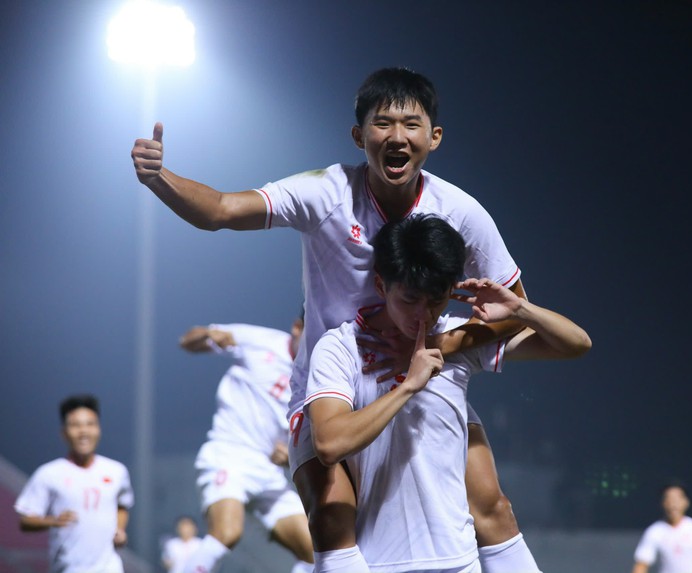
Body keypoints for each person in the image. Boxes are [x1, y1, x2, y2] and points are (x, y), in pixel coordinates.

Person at [132, 66, 536, 572]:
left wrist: (443, 347)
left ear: (434, 137)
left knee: (492, 509)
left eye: (411, 124)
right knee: (331, 516)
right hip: (333, 383)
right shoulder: (325, 192)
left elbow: (514, 310)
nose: (397, 136)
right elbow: (220, 209)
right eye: (382, 123)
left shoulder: (461, 211)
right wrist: (159, 177)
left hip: (422, 376)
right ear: (358, 135)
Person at [305, 214, 592, 572]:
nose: (422, 315)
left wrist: (520, 308)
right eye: (410, 299)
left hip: (461, 559)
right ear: (381, 285)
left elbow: (576, 344)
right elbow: (329, 443)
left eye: (435, 301)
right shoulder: (341, 348)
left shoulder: (457, 339)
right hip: (381, 562)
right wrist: (409, 385)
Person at [177, 320, 314, 573]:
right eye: (312, 331)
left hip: (268, 471)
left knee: (315, 552)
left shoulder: (318, 375)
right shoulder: (261, 340)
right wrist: (207, 334)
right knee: (227, 534)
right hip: (229, 454)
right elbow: (187, 342)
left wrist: (291, 457)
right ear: (297, 328)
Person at [14, 394, 134, 573]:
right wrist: (52, 520)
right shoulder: (49, 473)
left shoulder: (117, 471)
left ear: (99, 429)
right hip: (68, 568)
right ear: (64, 433)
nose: (83, 431)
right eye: (76, 425)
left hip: (109, 568)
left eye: (90, 424)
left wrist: (120, 529)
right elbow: (25, 521)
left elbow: (122, 506)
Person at [632, 483, 692, 573]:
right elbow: (642, 564)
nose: (673, 504)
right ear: (663, 503)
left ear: (686, 502)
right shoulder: (654, 531)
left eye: (677, 499)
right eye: (669, 499)